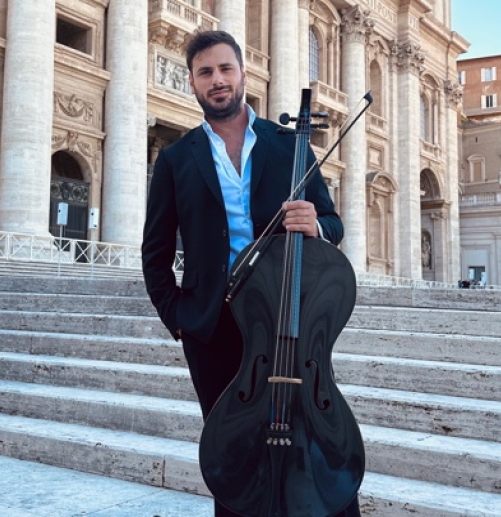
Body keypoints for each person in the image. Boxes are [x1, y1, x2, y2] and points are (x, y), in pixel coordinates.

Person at [141, 30, 359, 517]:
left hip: (287, 321)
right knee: (234, 459)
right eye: (205, 72)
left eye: (225, 69)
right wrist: (179, 318)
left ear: (243, 74)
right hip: (212, 327)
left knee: (312, 446)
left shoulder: (290, 145)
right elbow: (154, 252)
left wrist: (316, 225)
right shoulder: (176, 159)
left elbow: (334, 223)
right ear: (193, 83)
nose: (216, 80)